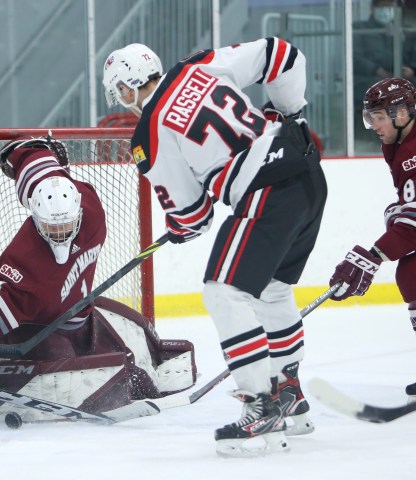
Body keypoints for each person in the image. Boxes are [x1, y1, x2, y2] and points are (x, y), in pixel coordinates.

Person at [102, 38, 328, 455]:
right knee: (273, 289)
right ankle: (289, 395)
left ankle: (260, 406)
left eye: (119, 91)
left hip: (267, 190)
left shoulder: (149, 131)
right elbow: (283, 54)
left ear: (127, 86)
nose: (122, 100)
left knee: (223, 292)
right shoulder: (199, 65)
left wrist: (179, 227)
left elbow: (193, 214)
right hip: (306, 170)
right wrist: (290, 111)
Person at [0, 135, 196, 420]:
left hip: (83, 320)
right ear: (35, 217)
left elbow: (49, 176)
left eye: (66, 224)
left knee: (133, 365)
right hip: (41, 332)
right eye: (51, 227)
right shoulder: (27, 256)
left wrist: (28, 152)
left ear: (78, 208)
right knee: (80, 371)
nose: (60, 233)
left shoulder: (91, 207)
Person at [329, 77, 416, 399]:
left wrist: (374, 255)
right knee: (411, 273)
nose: (374, 126)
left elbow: (413, 224)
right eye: (371, 118)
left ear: (402, 114)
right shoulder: (397, 145)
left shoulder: (412, 151)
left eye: (379, 117)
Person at [353, 1, 416, 110]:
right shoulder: (359, 28)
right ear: (372, 7)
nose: (386, 10)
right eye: (382, 6)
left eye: (390, 6)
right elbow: (354, 57)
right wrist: (376, 70)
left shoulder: (407, 31)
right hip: (370, 81)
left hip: (404, 81)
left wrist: (412, 69)